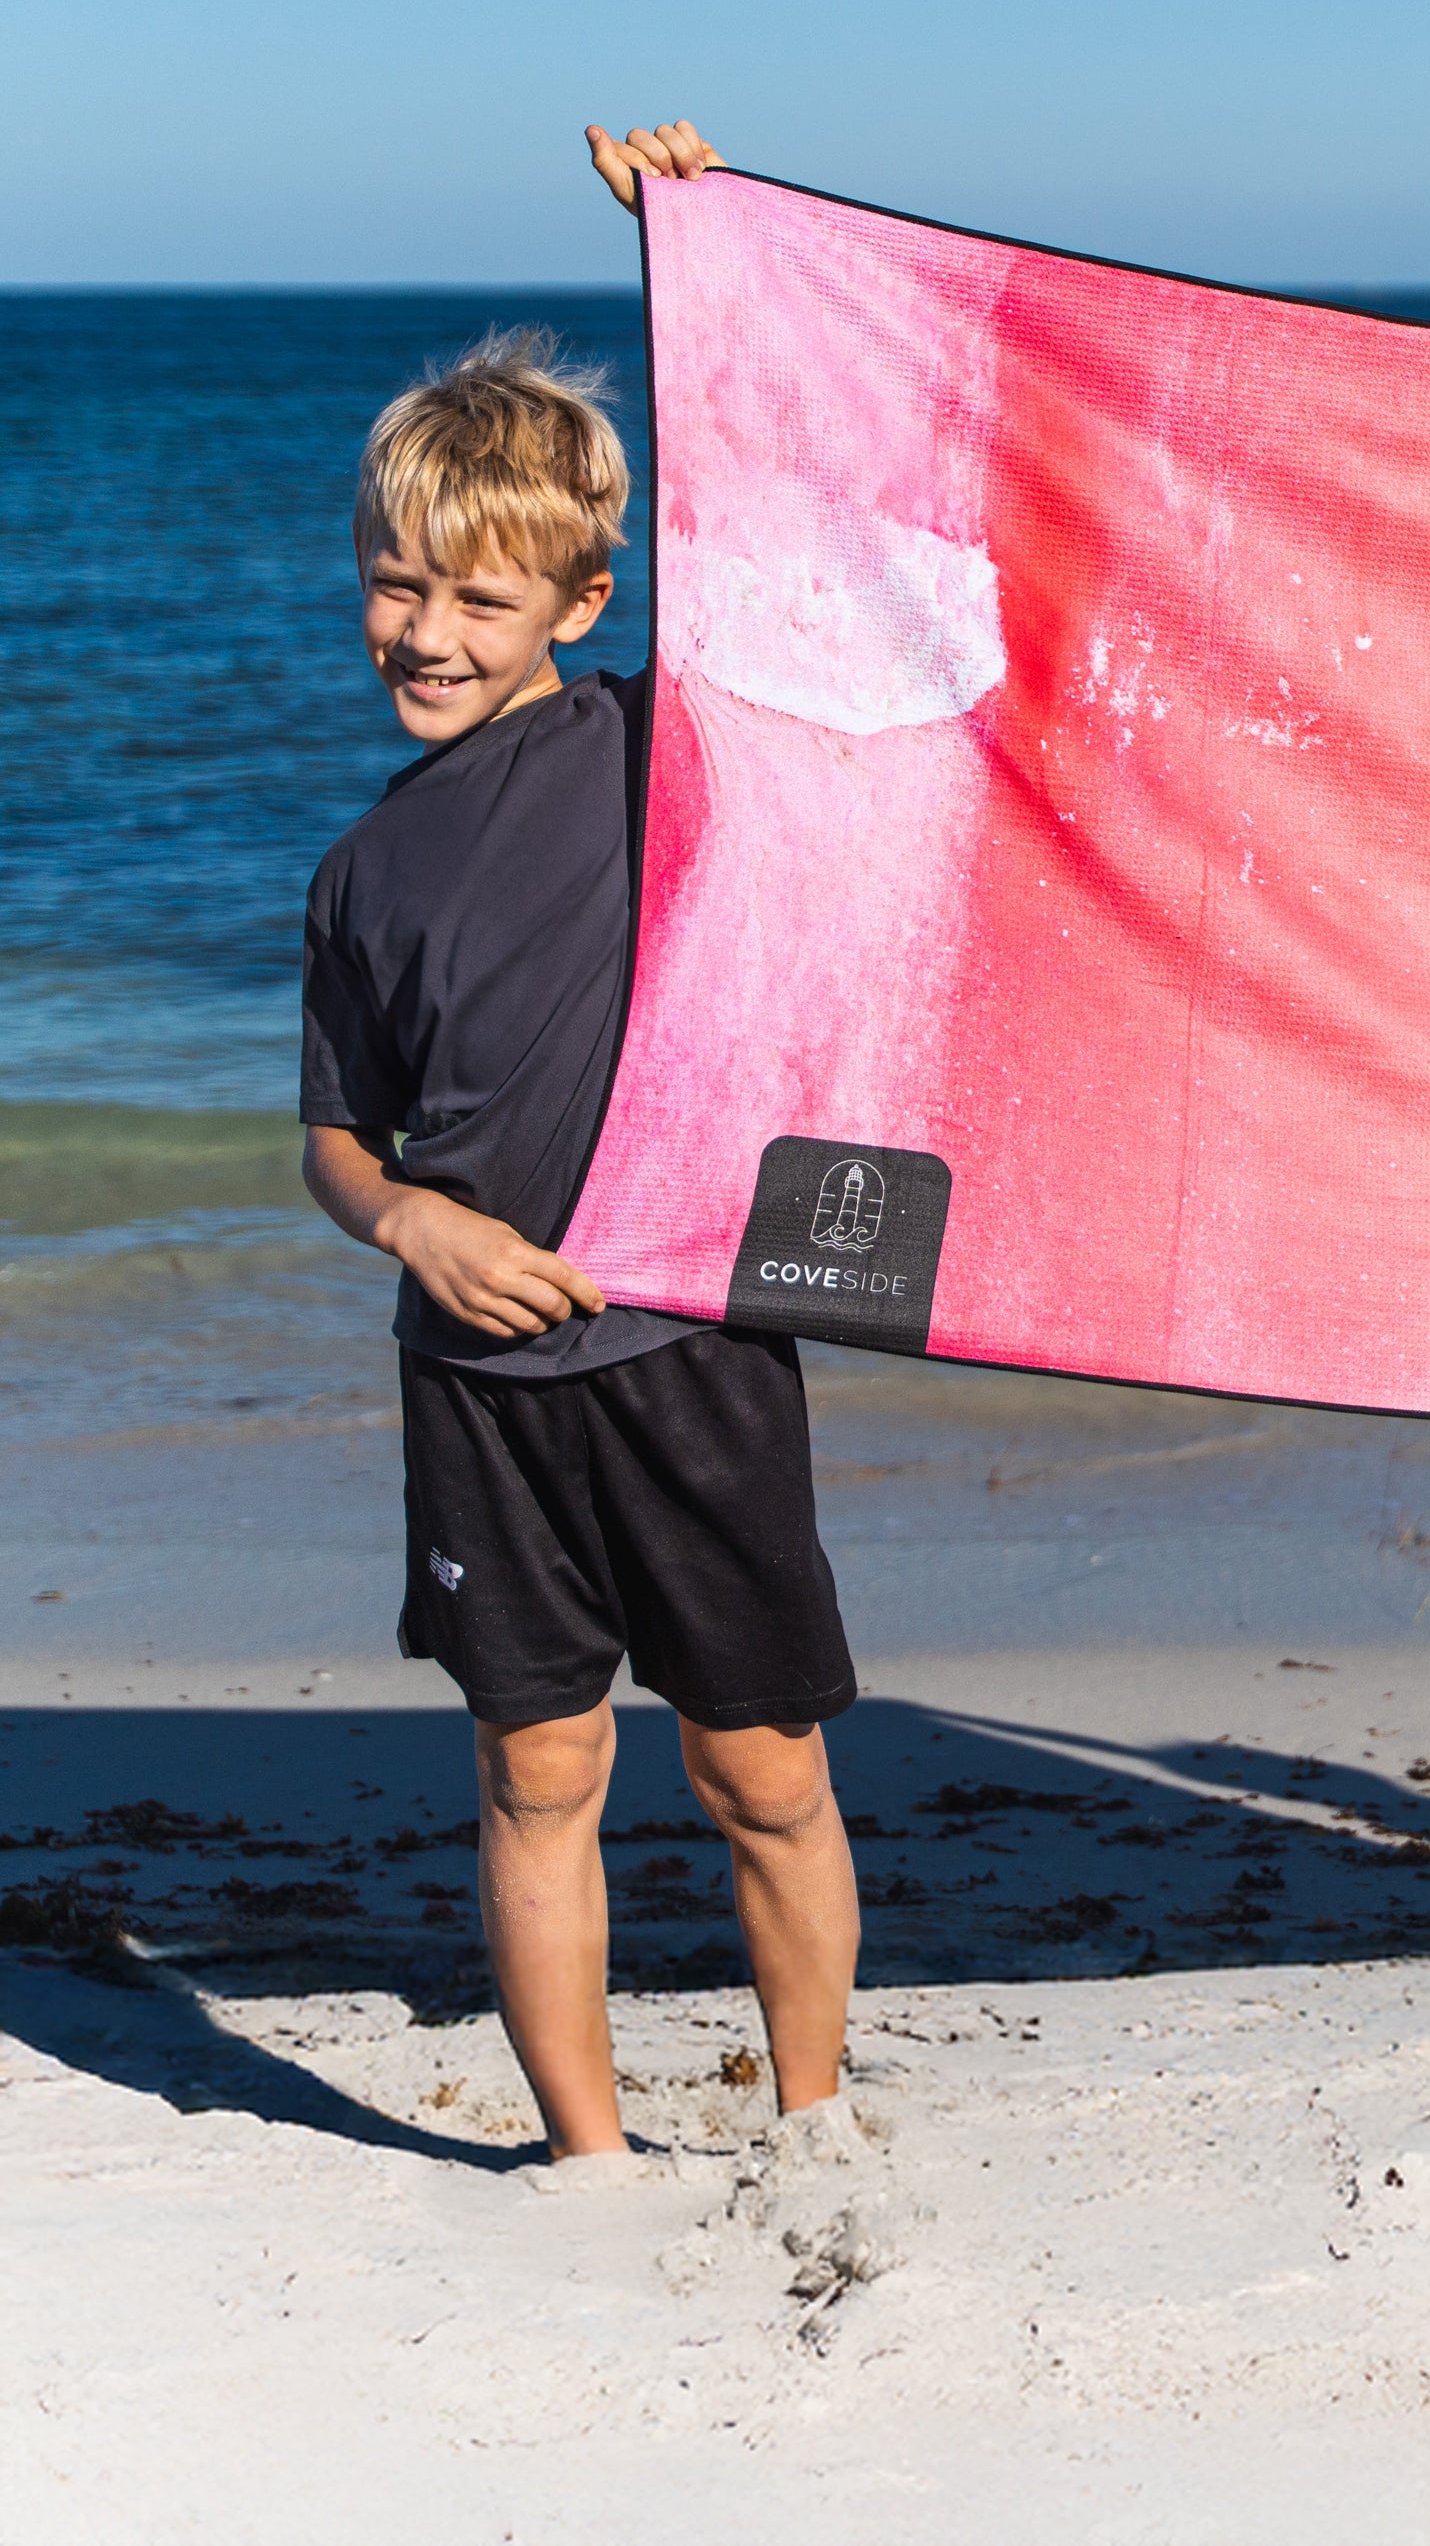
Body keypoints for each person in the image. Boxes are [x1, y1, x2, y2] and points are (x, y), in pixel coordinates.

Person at [299, 120, 862, 2175]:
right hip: (479, 1388)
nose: (425, 627)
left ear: (579, 600)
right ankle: (589, 2156)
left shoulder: (652, 747)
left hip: (688, 1360)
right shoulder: (360, 873)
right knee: (536, 1768)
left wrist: (694, 254)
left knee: (757, 1769)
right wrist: (415, 1228)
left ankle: (812, 2116)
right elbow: (336, 1145)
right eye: (394, 579)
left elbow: (778, 529)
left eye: (477, 590)